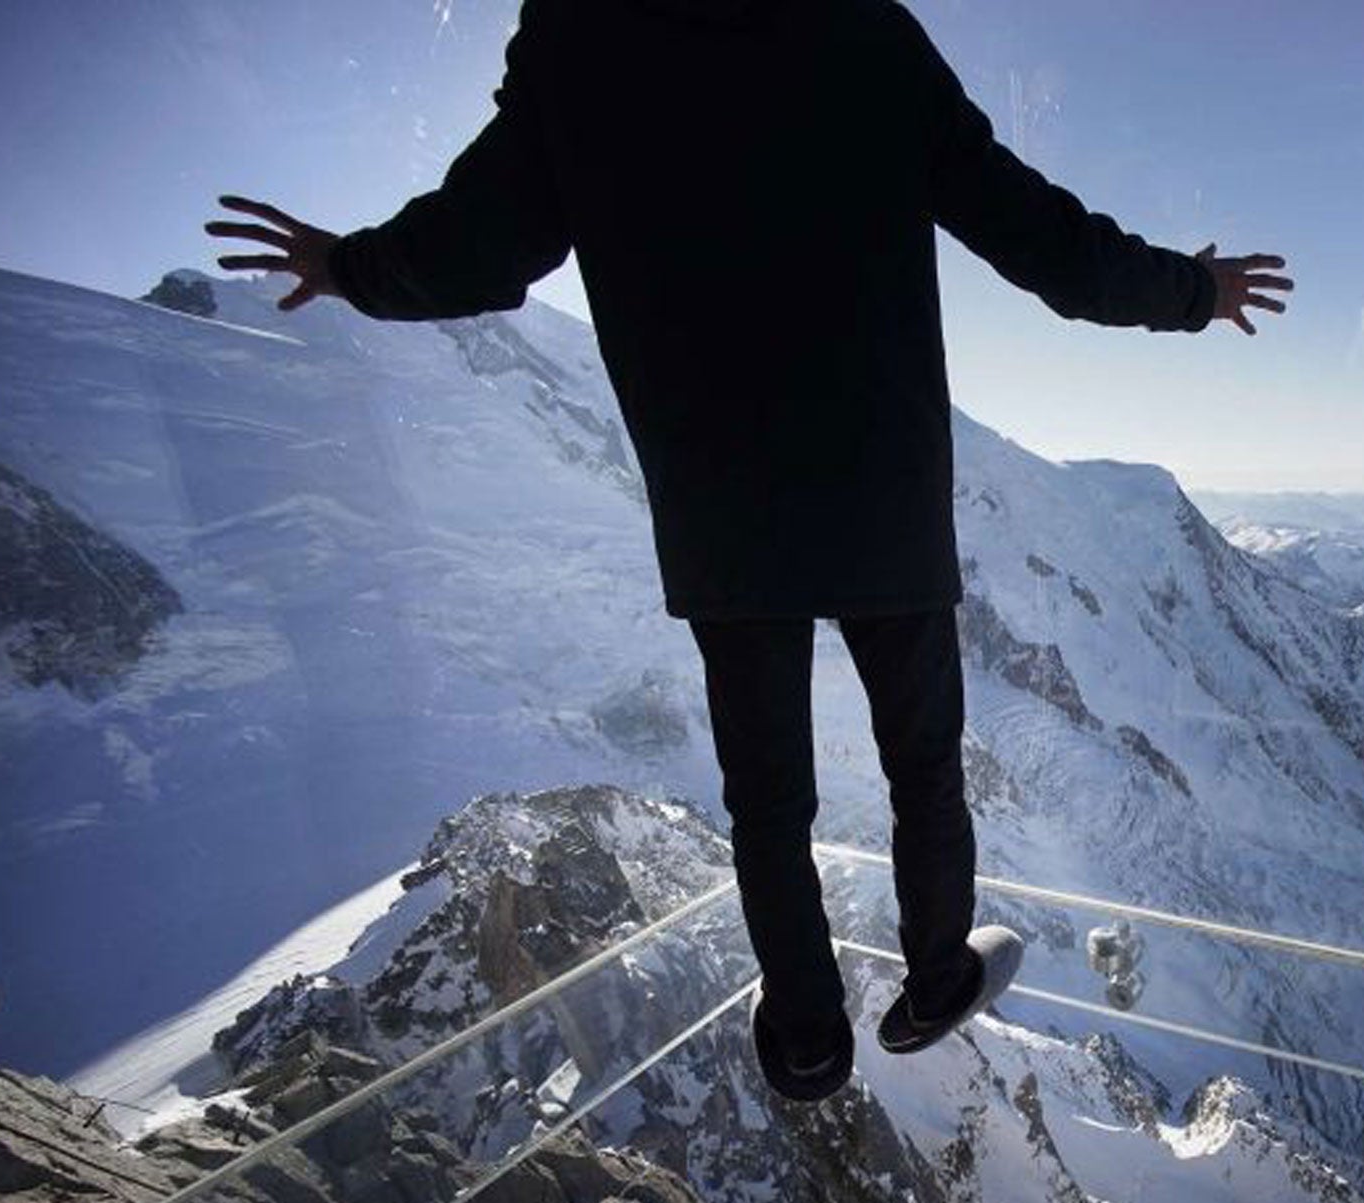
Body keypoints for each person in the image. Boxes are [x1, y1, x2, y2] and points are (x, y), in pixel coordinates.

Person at [206, 0, 1290, 1103]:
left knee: (768, 799)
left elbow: (478, 247)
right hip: (881, 487)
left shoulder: (582, 37)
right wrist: (1191, 292)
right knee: (923, 762)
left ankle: (809, 1035)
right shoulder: (863, 31)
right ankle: (933, 978)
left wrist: (350, 266)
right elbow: (1044, 244)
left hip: (723, 503)